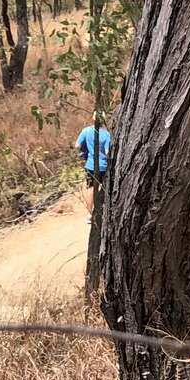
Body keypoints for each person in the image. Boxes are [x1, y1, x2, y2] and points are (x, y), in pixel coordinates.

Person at [76, 118, 113, 304]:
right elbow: (107, 152)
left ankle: (90, 214)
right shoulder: (107, 135)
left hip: (90, 165)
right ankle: (102, 211)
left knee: (91, 189)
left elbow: (76, 146)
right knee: (103, 191)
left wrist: (85, 153)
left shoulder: (86, 131)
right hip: (104, 167)